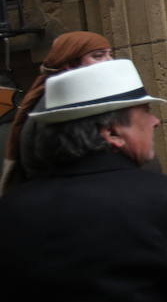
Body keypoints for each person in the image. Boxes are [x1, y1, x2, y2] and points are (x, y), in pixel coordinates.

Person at [0, 59, 167, 302]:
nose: (155, 122)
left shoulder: (13, 207)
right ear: (111, 133)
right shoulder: (159, 199)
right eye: (144, 113)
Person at [1, 31, 114, 193]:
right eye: (98, 56)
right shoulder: (54, 106)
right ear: (70, 64)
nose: (109, 61)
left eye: (110, 55)